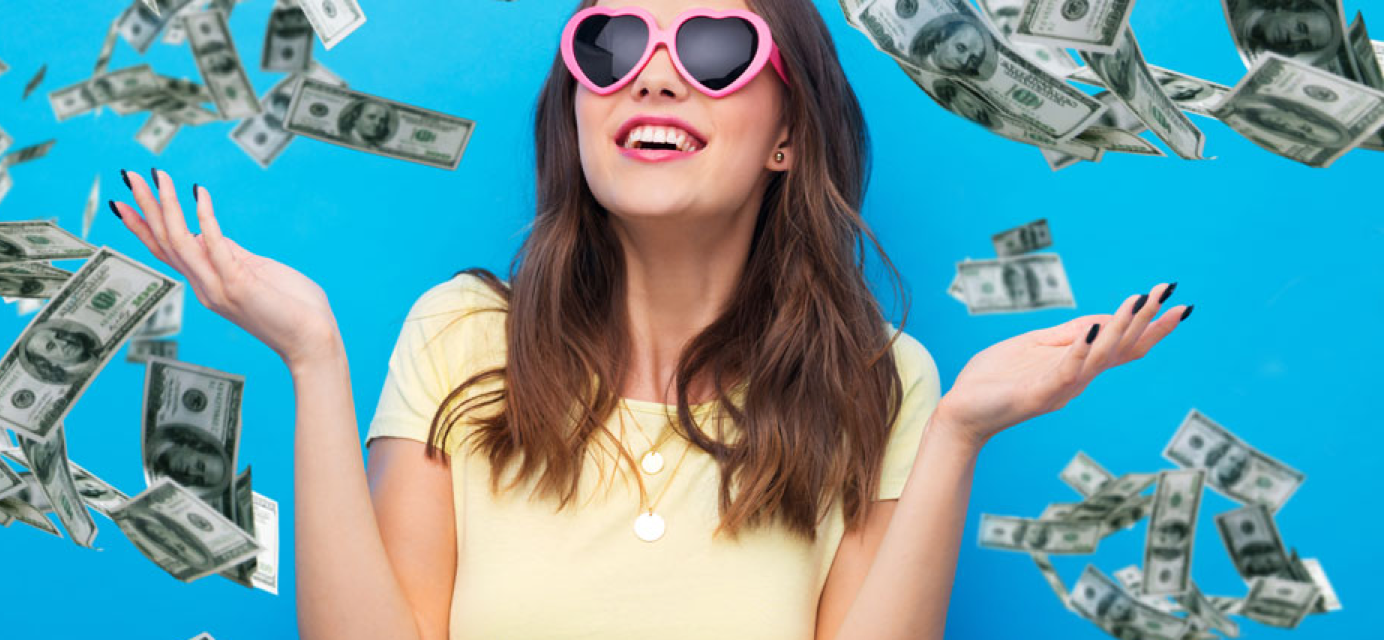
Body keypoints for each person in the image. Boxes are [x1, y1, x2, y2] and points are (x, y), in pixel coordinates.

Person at [108, 1, 1193, 638]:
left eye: (717, 50)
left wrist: (958, 434)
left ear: (786, 135)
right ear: (576, 110)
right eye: (612, 46)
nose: (655, 78)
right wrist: (314, 359)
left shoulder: (879, 380)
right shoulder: (461, 336)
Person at [18, 319, 101, 385]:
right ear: (48, 362)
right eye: (51, 346)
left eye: (60, 335)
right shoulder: (75, 380)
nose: (64, 342)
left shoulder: (100, 349)